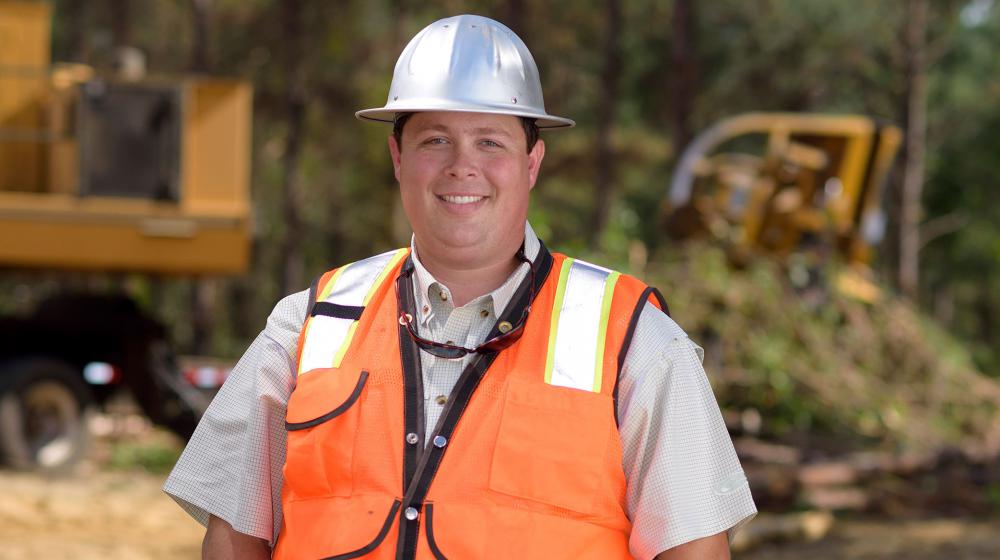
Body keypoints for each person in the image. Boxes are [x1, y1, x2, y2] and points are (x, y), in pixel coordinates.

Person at [164, 14, 756, 560]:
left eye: (490, 142)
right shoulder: (311, 324)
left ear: (532, 162)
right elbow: (234, 533)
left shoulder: (634, 339)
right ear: (398, 157)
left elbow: (695, 548)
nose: (461, 166)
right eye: (435, 139)